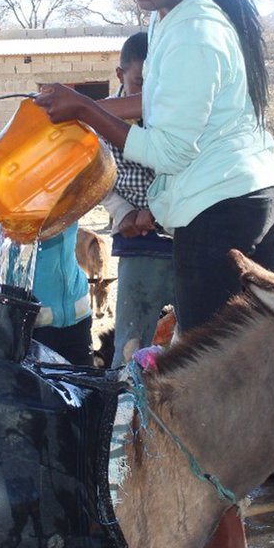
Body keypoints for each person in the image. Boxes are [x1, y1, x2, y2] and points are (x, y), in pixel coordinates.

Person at [36, 0, 274, 548]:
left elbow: (168, 147)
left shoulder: (196, 28)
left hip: (224, 208)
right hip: (245, 196)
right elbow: (156, 101)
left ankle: (224, 543)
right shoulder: (184, 15)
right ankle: (269, 524)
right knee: (249, 365)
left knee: (206, 378)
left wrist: (88, 108)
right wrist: (77, 111)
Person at [100, 32, 175, 367]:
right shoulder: (100, 119)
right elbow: (97, 179)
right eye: (138, 83)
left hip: (183, 237)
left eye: (155, 85)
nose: (146, 96)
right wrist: (124, 212)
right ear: (120, 75)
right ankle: (122, 413)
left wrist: (156, 210)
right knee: (130, 347)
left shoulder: (174, 115)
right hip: (138, 244)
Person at [0, 201, 94, 368]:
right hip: (34, 322)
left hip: (73, 314)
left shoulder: (64, 182)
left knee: (73, 389)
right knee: (81, 389)